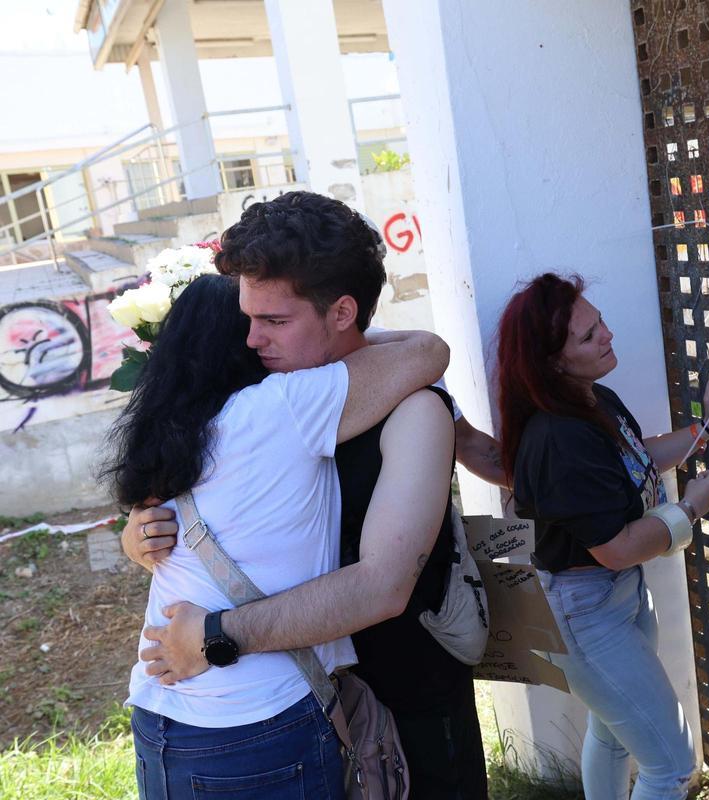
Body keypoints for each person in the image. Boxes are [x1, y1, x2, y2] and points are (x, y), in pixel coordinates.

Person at [120, 192, 489, 798]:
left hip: (402, 682)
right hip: (304, 689)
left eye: (273, 321)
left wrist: (217, 633)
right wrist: (147, 531)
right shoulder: (270, 392)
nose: (248, 340)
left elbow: (383, 585)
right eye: (245, 318)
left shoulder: (409, 405)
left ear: (342, 311)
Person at [497, 273, 709, 800]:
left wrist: (704, 429)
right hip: (586, 611)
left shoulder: (589, 398)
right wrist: (690, 508)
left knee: (611, 736)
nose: (606, 334)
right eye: (587, 336)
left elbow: (635, 458)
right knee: (672, 767)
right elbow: (617, 546)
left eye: (598, 320)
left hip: (611, 597)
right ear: (553, 362)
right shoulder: (560, 437)